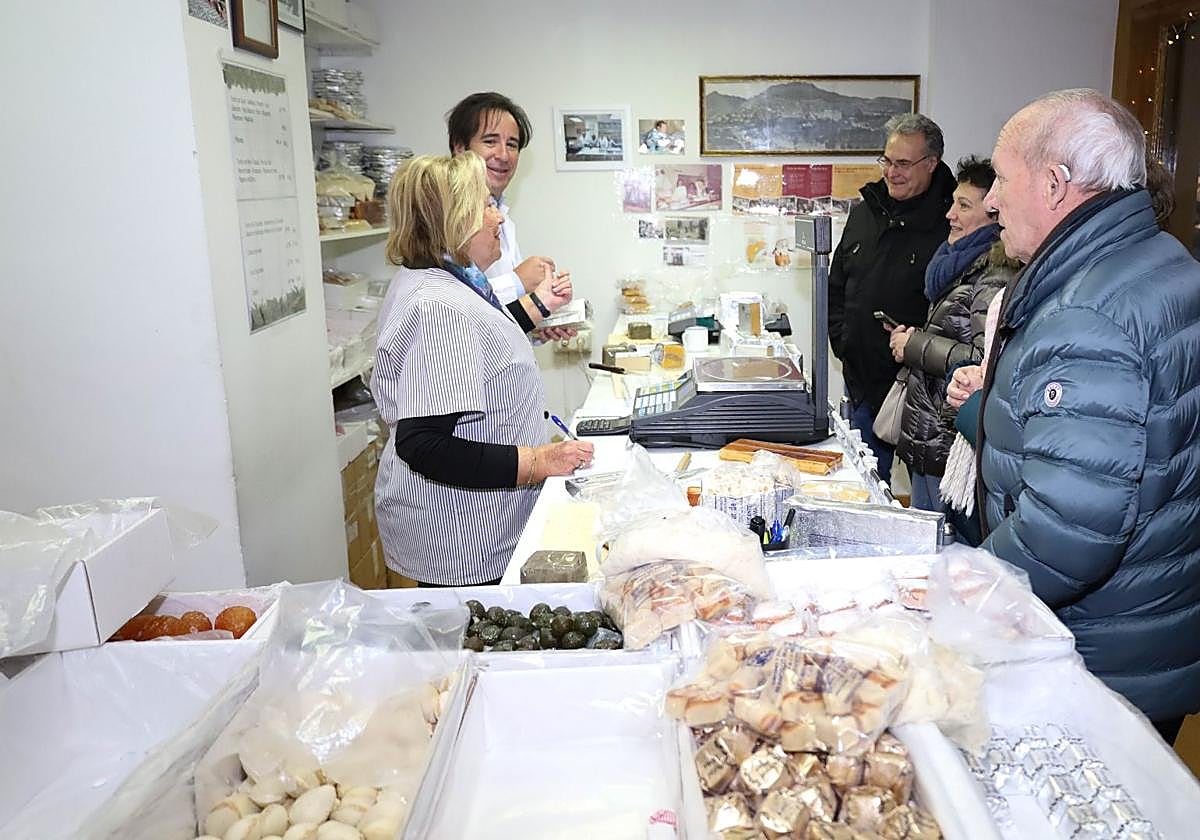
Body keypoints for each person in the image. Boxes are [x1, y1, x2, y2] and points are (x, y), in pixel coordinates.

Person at [975, 88, 1200, 743]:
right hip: (1156, 626)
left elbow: (1070, 530)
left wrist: (965, 594)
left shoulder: (1086, 313)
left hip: (1099, 656)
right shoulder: (1162, 260)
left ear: (1053, 184)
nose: (991, 198)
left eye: (1001, 176)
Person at [372, 153, 594, 587]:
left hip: (474, 517)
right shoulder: (439, 306)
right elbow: (425, 445)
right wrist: (538, 462)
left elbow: (483, 348)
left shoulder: (452, 281)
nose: (498, 219)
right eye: (484, 206)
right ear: (452, 220)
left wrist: (539, 309)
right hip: (461, 532)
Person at [828, 113, 957, 483]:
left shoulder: (951, 220)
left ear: (931, 164)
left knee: (927, 498)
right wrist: (844, 342)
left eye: (903, 163)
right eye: (887, 160)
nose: (892, 172)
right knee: (864, 486)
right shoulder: (867, 209)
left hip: (920, 392)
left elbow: (953, 314)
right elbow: (837, 284)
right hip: (861, 383)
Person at [888, 156, 1017, 512]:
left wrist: (914, 345)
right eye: (953, 203)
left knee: (944, 553)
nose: (950, 215)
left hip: (948, 440)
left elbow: (983, 360)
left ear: (994, 211)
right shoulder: (958, 264)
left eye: (964, 205)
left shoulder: (995, 274)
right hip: (930, 433)